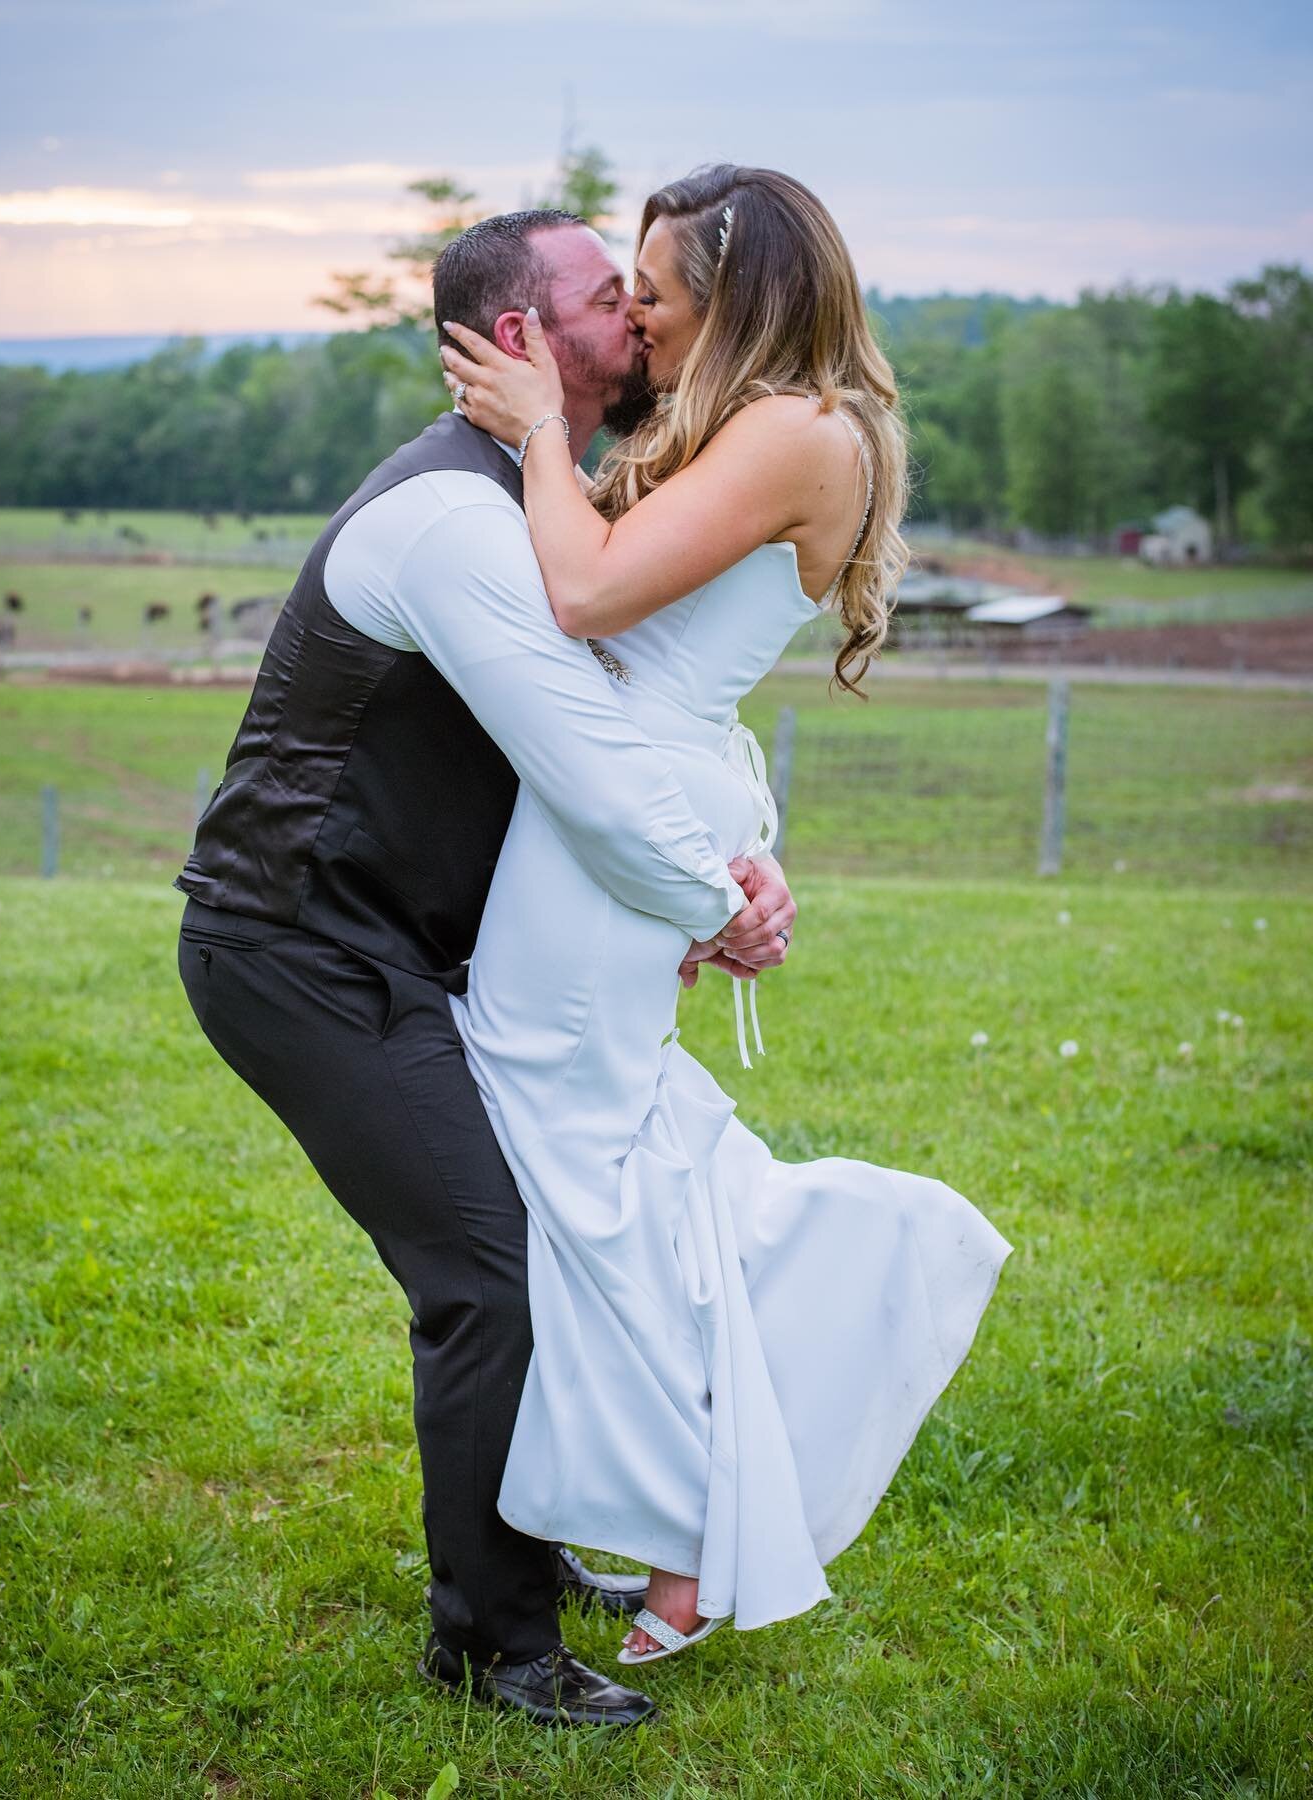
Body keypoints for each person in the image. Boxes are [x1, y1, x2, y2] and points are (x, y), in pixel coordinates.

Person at [173, 204, 796, 1729]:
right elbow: (587, 768)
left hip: (413, 954)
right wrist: (702, 901)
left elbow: (661, 711)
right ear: (522, 340)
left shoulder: (548, 503)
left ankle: (525, 1540)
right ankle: (494, 1646)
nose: (642, 321)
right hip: (295, 952)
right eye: (610, 299)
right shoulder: (453, 527)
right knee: (488, 1263)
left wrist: (747, 850)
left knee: (533, 1238)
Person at [438, 163, 1014, 1665]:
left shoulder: (801, 429)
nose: (637, 318)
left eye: (660, 296)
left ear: (743, 297)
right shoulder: (778, 423)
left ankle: (712, 1500)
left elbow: (587, 593)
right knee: (603, 1142)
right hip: (627, 791)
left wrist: (541, 437)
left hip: (616, 804)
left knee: (573, 1149)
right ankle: (686, 1509)